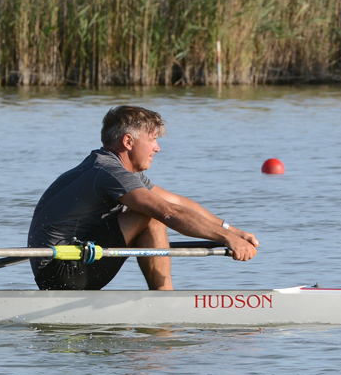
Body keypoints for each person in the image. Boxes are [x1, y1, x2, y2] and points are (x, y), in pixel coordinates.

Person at [27, 105, 259, 291]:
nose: (157, 148)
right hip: (64, 271)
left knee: (155, 209)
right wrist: (226, 238)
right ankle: (165, 300)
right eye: (153, 139)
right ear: (128, 142)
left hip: (63, 267)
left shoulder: (106, 167)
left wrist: (232, 230)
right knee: (153, 215)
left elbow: (177, 202)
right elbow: (169, 212)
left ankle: (163, 299)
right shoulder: (110, 173)